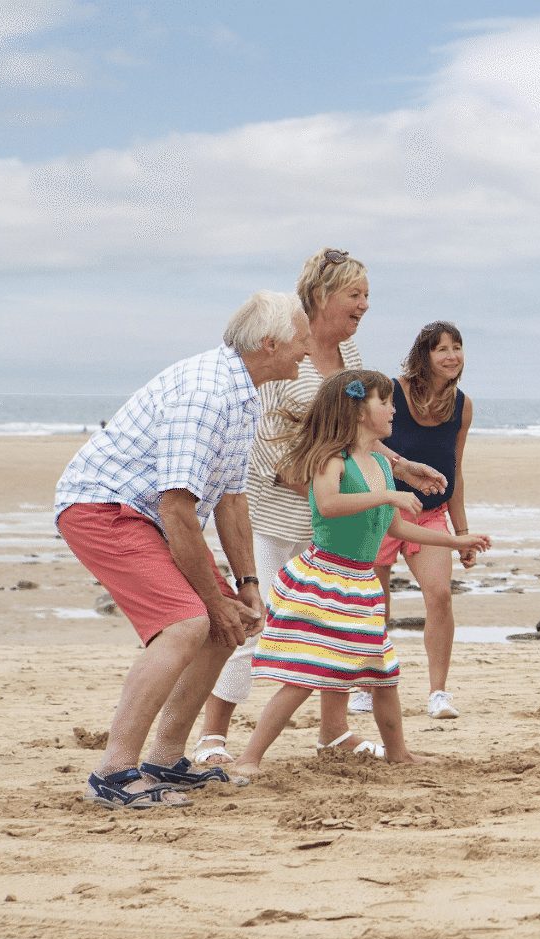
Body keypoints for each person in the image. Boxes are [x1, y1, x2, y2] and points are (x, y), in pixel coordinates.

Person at [54, 291, 310, 807]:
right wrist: (212, 602)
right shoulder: (208, 393)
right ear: (269, 343)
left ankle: (165, 759)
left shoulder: (245, 391)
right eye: (301, 340)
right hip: (103, 508)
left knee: (226, 623)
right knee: (189, 623)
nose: (306, 351)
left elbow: (231, 501)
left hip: (150, 515)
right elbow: (177, 509)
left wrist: (247, 587)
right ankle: (115, 772)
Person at [193, 249, 443, 764]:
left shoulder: (349, 356)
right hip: (282, 511)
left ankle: (333, 732)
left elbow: (353, 431)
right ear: (321, 296)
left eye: (367, 295)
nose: (365, 306)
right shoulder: (288, 349)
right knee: (260, 622)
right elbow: (260, 436)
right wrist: (314, 483)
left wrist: (398, 464)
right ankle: (213, 732)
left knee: (334, 629)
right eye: (355, 295)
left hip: (336, 517)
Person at [232, 371, 490, 779]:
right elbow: (329, 504)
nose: (393, 409)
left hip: (361, 584)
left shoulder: (380, 465)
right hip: (326, 581)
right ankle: (250, 757)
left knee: (383, 674)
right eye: (384, 402)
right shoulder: (332, 459)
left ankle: (398, 753)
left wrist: (456, 542)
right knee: (304, 675)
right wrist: (389, 494)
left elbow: (395, 528)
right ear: (357, 410)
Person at [375, 322, 476, 720]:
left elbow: (456, 469)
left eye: (457, 348)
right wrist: (400, 468)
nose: (452, 356)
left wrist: (463, 532)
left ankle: (438, 693)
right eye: (442, 349)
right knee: (374, 605)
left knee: (440, 595)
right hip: (381, 511)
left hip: (432, 513)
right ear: (425, 355)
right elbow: (362, 440)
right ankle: (371, 683)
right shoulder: (391, 391)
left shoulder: (462, 405)